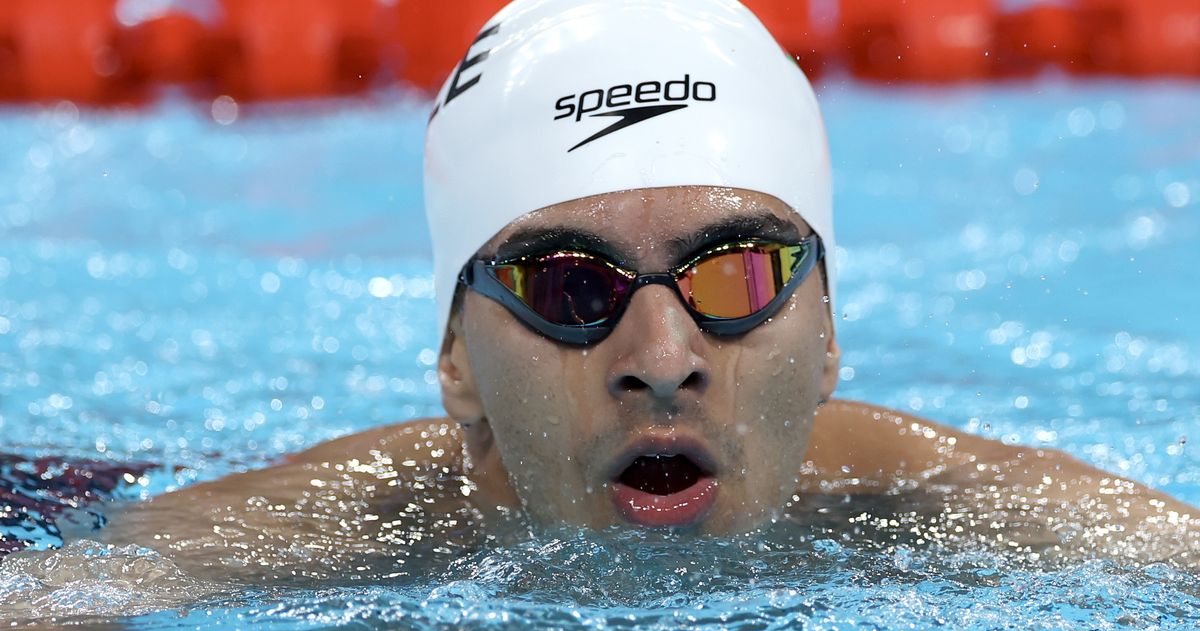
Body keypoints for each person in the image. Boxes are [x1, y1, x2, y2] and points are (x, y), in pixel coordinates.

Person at [95, 0, 1200, 575]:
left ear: (827, 338)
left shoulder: (961, 517)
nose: (663, 357)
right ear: (454, 365)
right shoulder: (307, 547)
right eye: (571, 287)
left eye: (739, 272)